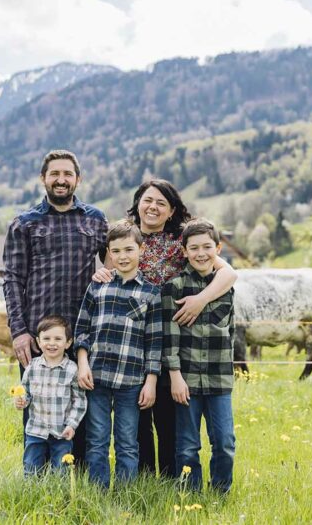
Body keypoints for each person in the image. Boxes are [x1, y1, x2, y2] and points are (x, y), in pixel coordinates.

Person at [93, 179, 237, 479]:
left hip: (174, 339)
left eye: (161, 202)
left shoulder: (182, 240)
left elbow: (229, 273)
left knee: (170, 416)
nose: (153, 207)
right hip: (134, 341)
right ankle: (144, 478)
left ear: (172, 210)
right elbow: (109, 273)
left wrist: (200, 300)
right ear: (138, 203)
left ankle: (174, 478)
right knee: (138, 414)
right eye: (147, 200)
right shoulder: (126, 237)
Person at [3, 149, 108, 461]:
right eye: (55, 174)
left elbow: (116, 262)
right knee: (37, 410)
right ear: (43, 179)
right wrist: (19, 331)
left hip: (84, 334)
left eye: (67, 174)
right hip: (39, 338)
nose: (61, 180)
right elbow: (11, 280)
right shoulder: (24, 224)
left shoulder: (95, 219)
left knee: (82, 407)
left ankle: (81, 479)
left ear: (78, 179)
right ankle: (39, 480)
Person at [75, 221, 162, 489]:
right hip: (97, 378)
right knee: (97, 439)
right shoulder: (98, 287)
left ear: (141, 250)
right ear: (109, 254)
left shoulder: (151, 292)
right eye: (116, 251)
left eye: (129, 249)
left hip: (131, 381)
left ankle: (126, 493)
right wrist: (82, 363)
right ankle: (98, 492)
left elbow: (155, 342)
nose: (123, 256)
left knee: (127, 441)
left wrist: (151, 382)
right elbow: (82, 329)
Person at [163, 219, 236, 493]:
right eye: (194, 248)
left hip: (220, 379)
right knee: (187, 445)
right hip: (188, 380)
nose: (201, 253)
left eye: (207, 246)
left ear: (218, 248)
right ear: (184, 251)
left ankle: (220, 492)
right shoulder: (174, 287)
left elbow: (231, 330)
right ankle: (188, 493)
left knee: (225, 441)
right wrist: (175, 377)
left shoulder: (225, 286)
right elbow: (169, 339)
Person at [14, 315, 87, 475]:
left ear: (68, 342)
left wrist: (71, 425)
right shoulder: (32, 367)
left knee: (61, 470)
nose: (51, 343)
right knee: (31, 467)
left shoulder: (72, 370)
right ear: (38, 342)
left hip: (61, 431)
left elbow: (79, 402)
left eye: (58, 339)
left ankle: (59, 494)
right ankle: (31, 494)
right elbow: (26, 393)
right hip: (35, 430)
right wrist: (21, 401)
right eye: (46, 338)